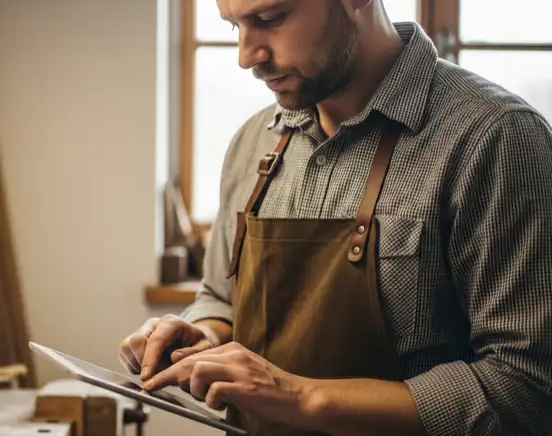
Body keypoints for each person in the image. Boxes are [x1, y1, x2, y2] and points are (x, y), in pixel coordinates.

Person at [118, 0, 552, 435]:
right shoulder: (252, 142)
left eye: (269, 20)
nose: (246, 55)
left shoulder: (495, 138)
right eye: (235, 27)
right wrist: (205, 334)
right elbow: (219, 295)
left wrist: (302, 398)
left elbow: (526, 390)